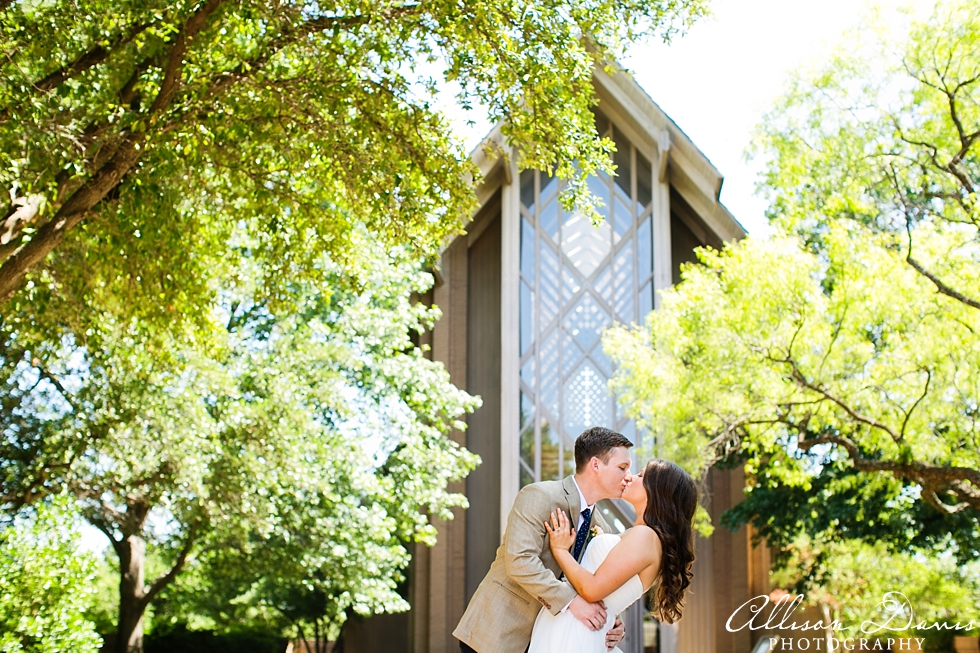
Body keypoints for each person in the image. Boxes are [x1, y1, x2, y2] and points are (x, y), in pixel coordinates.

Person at [453, 427, 633, 653]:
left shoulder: (602, 527)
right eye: (622, 467)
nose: (628, 476)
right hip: (497, 633)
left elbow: (597, 583)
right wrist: (573, 602)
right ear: (596, 465)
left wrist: (612, 621)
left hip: (546, 641)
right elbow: (519, 561)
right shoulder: (539, 495)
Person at [530, 459, 698, 653]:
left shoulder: (646, 537)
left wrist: (560, 550)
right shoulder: (642, 535)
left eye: (641, 476)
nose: (630, 477)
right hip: (575, 625)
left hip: (576, 632)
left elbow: (592, 589)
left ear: (659, 491)